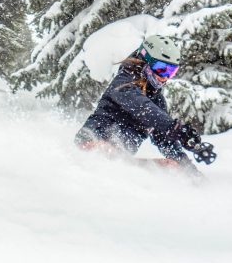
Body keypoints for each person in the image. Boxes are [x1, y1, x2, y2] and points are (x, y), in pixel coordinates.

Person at [75, 34, 216, 171]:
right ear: (145, 61)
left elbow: (165, 140)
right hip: (91, 143)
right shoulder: (123, 82)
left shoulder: (157, 100)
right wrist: (175, 128)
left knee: (171, 166)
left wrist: (188, 169)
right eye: (161, 68)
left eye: (171, 71)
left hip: (120, 159)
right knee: (105, 150)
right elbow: (141, 107)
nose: (164, 77)